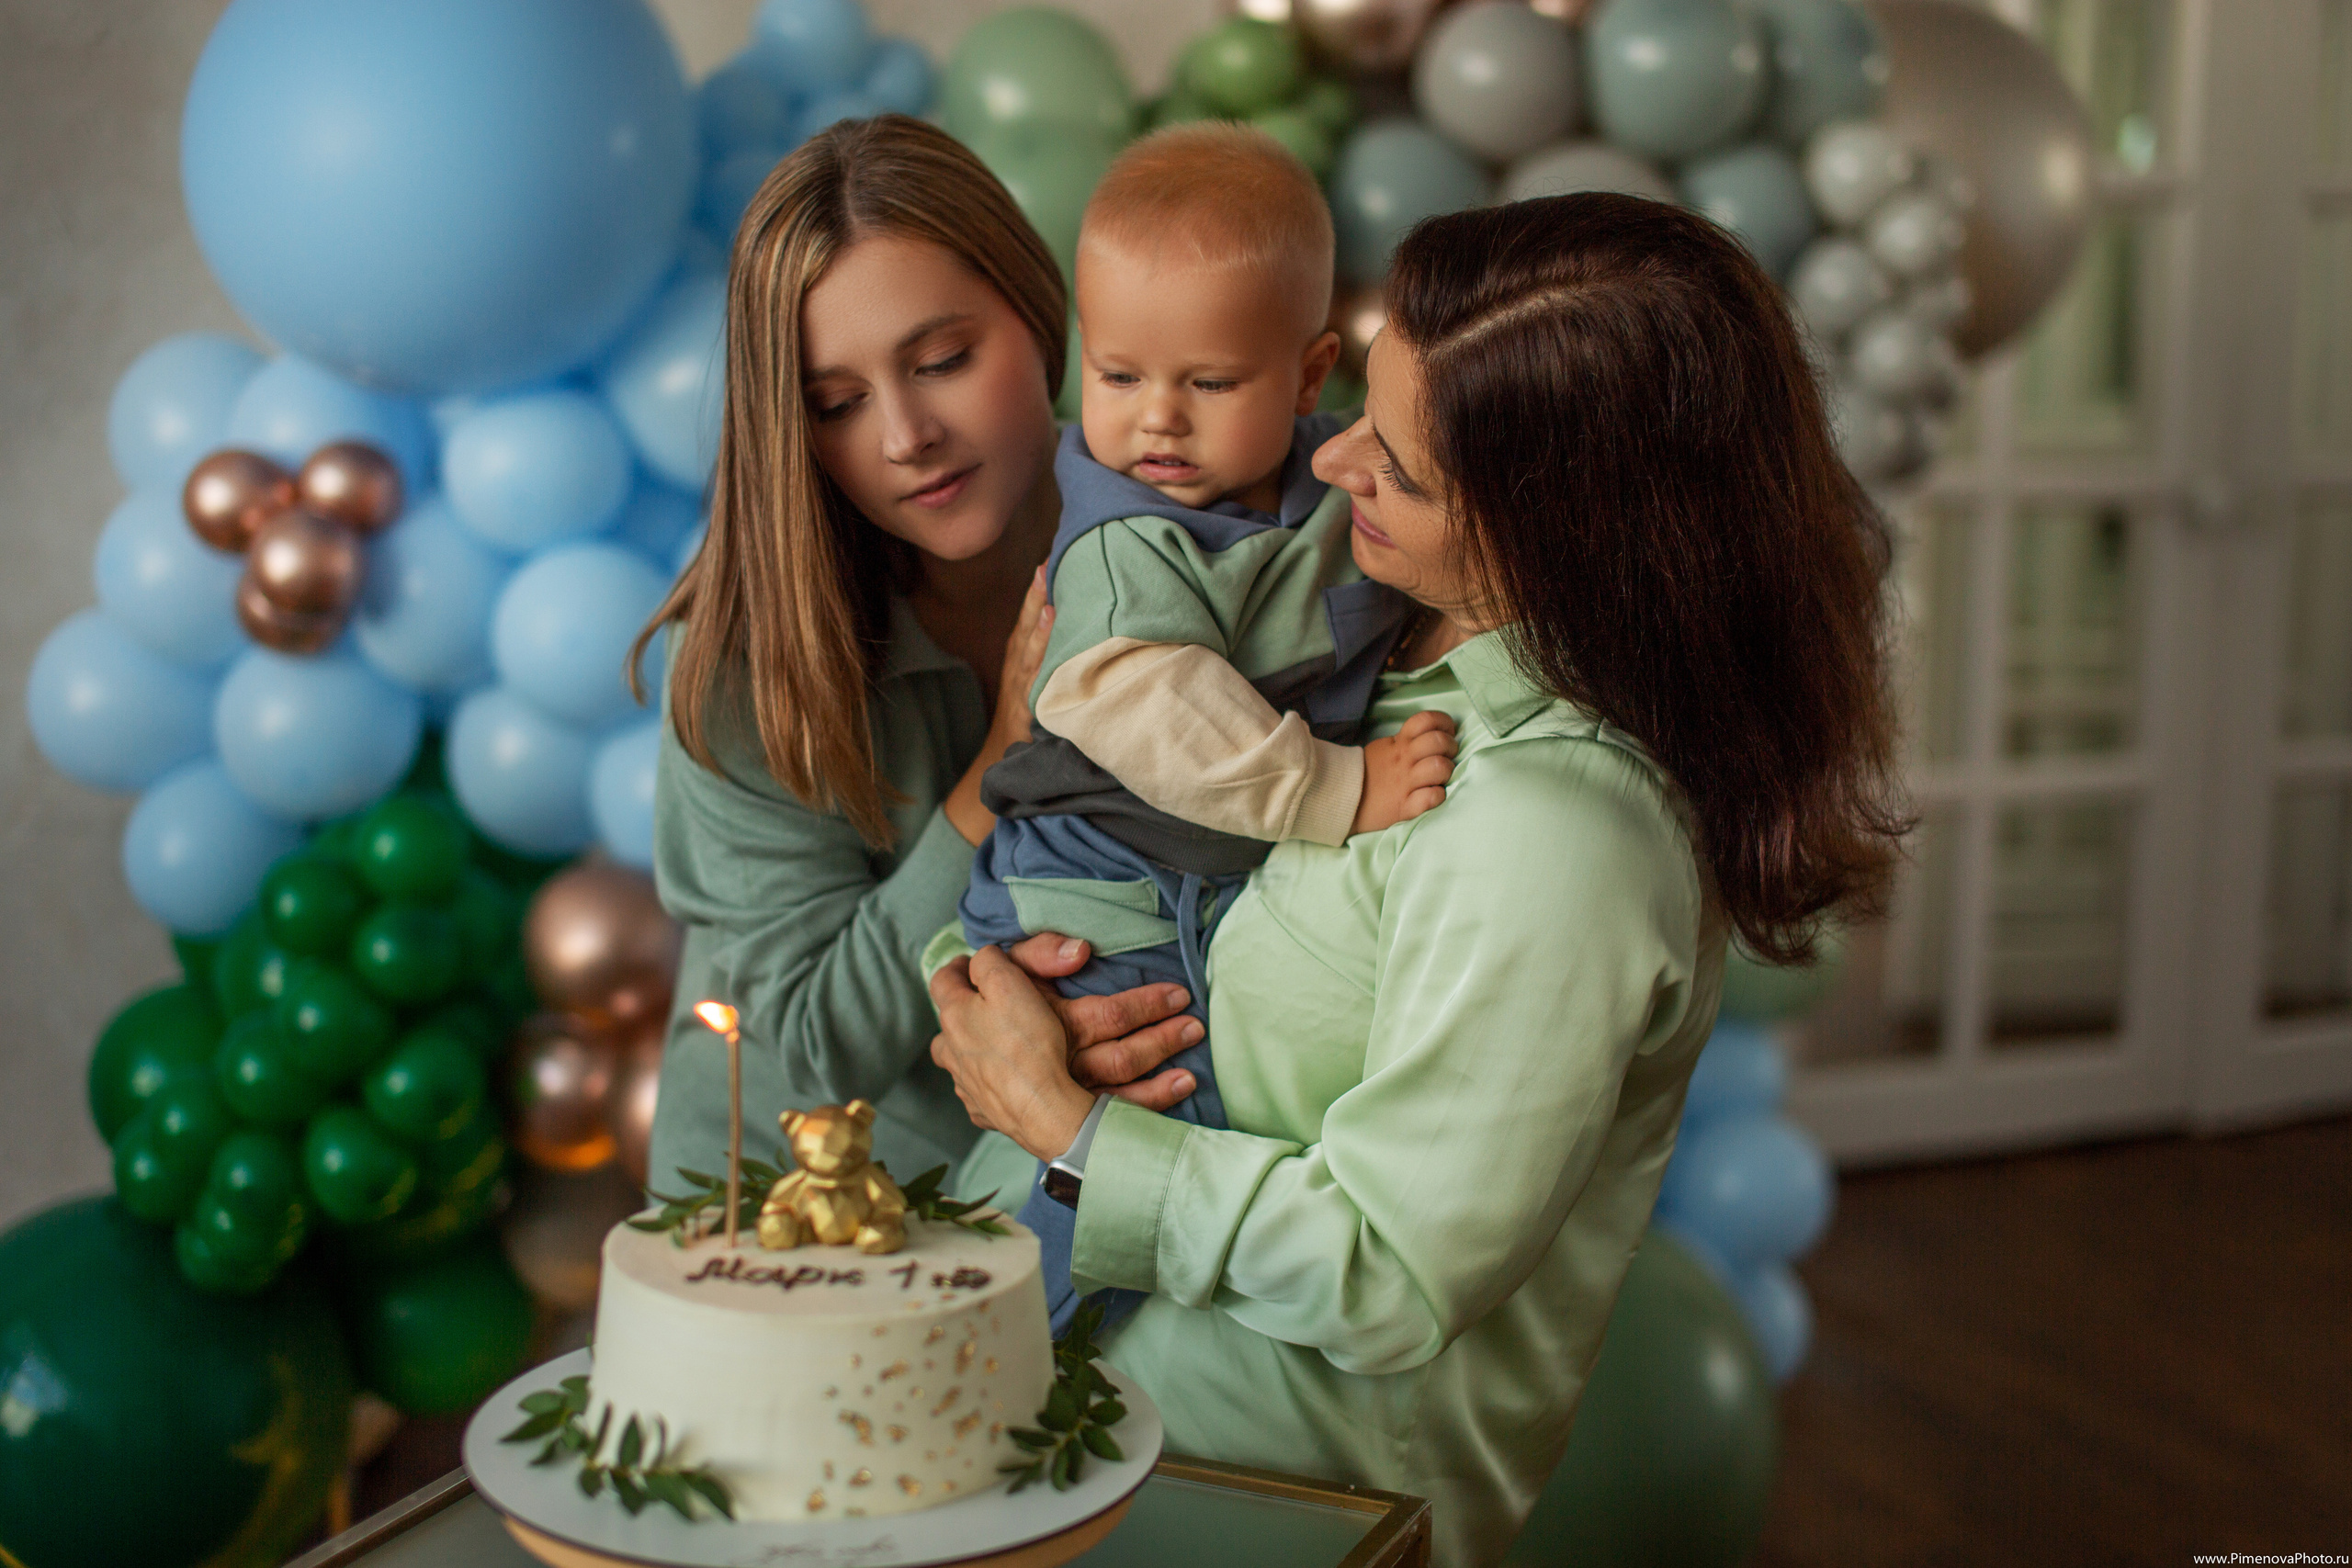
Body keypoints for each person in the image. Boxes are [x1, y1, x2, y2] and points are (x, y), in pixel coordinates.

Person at [931, 192, 1908, 1565]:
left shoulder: (1557, 832)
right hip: (1090, 1424)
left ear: (1564, 529)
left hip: (1278, 1501)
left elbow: (1393, 1271)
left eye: (1399, 464)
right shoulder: (1366, 665)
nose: (1335, 470)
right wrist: (1031, 998)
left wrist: (1071, 1130)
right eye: (1361, 421)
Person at [945, 123, 1458, 1335]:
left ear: (1310, 369)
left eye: (1209, 383)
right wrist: (1340, 789)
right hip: (1096, 884)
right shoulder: (1133, 539)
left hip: (1187, 866)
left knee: (1214, 1104)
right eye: (1118, 377)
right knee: (1145, 1107)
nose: (1156, 422)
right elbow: (1153, 708)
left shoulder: (1311, 486)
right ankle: (995, 1350)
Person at [634, 116, 1200, 1202]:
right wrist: (1003, 759)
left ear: (1040, 318)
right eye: (837, 404)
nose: (903, 436)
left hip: (1102, 1175)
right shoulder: (740, 673)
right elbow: (812, 1041)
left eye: (942, 361)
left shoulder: (1188, 530)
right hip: (791, 1227)